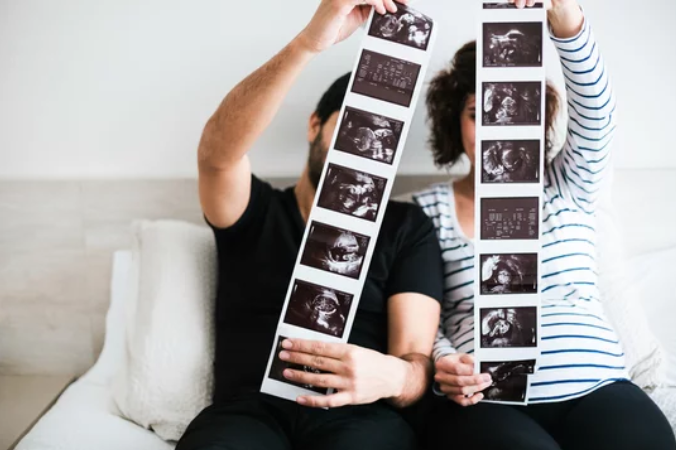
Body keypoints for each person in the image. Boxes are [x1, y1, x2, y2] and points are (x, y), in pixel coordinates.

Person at [175, 1, 443, 449]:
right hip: (248, 415)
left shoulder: (406, 226)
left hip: (359, 418)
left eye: (380, 141)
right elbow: (215, 155)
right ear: (314, 125)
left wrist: (396, 376)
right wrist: (306, 45)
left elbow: (416, 364)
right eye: (352, 129)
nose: (363, 149)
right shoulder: (254, 210)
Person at [414, 0, 676, 449]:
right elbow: (421, 319)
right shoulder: (424, 210)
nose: (496, 126)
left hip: (598, 387)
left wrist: (567, 23)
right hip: (489, 400)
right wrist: (444, 362)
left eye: (511, 108)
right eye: (479, 113)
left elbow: (598, 117)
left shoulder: (568, 183)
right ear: (454, 121)